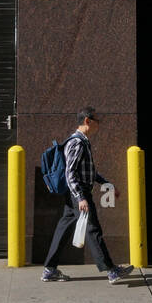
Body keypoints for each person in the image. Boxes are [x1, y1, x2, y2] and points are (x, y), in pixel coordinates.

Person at [41, 106, 134, 283]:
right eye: (97, 121)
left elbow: (89, 171)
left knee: (64, 228)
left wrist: (106, 184)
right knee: (93, 230)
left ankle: (49, 269)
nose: (99, 125)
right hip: (79, 192)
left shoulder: (82, 142)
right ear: (87, 121)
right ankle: (111, 270)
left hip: (76, 193)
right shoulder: (77, 143)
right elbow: (71, 173)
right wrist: (80, 197)